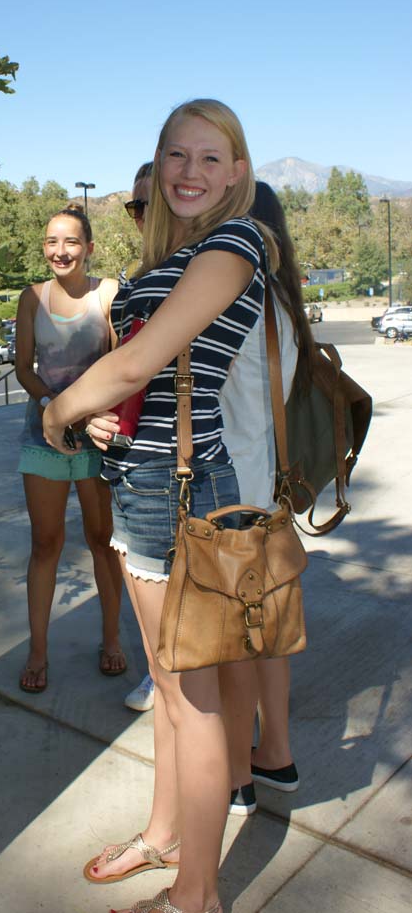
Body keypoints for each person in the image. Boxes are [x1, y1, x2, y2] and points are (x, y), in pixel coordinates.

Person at [44, 99, 277, 913]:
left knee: (196, 705)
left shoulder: (237, 241)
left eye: (211, 158)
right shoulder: (173, 255)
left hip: (184, 493)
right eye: (176, 155)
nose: (190, 171)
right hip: (143, 481)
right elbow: (141, 376)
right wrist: (106, 414)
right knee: (172, 695)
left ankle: (197, 898)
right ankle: (164, 834)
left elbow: (143, 355)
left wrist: (60, 409)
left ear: (238, 172)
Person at [218, 182, 314, 815]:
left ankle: (233, 777)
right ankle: (274, 755)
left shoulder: (236, 293)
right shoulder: (284, 301)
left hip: (230, 499)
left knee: (229, 648)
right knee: (268, 636)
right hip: (268, 495)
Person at [15, 207, 125, 694]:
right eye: (51, 241)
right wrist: (52, 407)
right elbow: (23, 368)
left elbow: (122, 363)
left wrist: (86, 413)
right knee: (46, 545)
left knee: (102, 542)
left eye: (71, 242)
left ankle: (112, 640)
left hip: (98, 437)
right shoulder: (30, 298)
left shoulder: (108, 294)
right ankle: (37, 651)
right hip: (43, 437)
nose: (60, 251)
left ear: (89, 248)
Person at [121, 162, 157, 716]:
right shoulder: (138, 280)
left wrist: (64, 412)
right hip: (139, 465)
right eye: (138, 207)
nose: (146, 218)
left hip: (198, 468)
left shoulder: (208, 270)